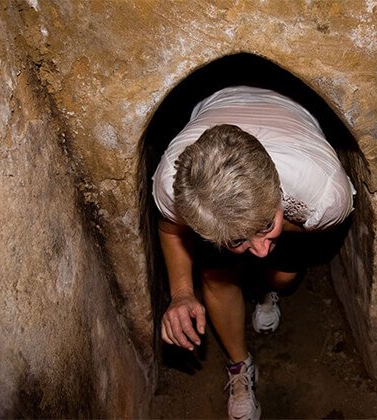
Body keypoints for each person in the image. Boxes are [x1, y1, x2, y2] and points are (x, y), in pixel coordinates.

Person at [152, 86, 355, 420]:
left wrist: (267, 233)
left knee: (282, 277)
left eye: (266, 225)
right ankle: (239, 365)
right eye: (237, 241)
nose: (260, 251)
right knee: (215, 277)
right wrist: (182, 294)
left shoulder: (324, 193)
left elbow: (316, 232)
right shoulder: (171, 188)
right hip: (217, 103)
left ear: (278, 196)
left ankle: (266, 289)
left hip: (292, 113)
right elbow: (170, 229)